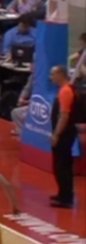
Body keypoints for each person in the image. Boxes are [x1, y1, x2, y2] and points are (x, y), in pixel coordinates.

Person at [48, 65, 78, 209]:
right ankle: (62, 193)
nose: (51, 77)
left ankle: (66, 198)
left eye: (53, 74)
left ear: (61, 74)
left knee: (62, 165)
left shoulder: (65, 91)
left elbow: (64, 115)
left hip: (65, 133)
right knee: (60, 164)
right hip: (65, 132)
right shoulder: (64, 90)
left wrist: (57, 134)